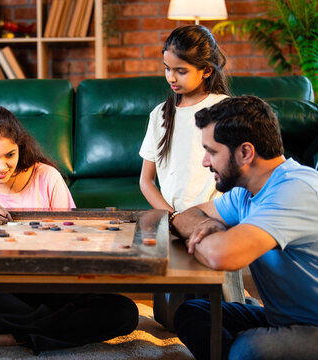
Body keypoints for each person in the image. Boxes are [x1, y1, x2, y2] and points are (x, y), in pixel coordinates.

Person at [0, 105, 138, 354]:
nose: (1, 166)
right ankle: (50, 330)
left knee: (124, 312)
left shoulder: (46, 176)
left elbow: (72, 239)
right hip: (0, 288)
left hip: (52, 283)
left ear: (20, 147)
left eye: (10, 154)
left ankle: (14, 337)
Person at [171, 96, 318, 360]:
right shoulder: (246, 192)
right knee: (192, 313)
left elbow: (221, 256)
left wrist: (214, 236)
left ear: (245, 153)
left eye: (212, 151)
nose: (205, 162)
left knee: (247, 350)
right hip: (282, 317)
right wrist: (211, 225)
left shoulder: (295, 191)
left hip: (313, 326)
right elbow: (186, 216)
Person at [138, 24, 243, 331]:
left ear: (206, 70)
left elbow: (237, 175)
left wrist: (210, 217)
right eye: (166, 69)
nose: (171, 78)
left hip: (216, 219)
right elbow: (146, 180)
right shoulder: (159, 114)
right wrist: (174, 218)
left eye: (181, 71)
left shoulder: (224, 109)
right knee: (171, 319)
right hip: (173, 220)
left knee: (227, 311)